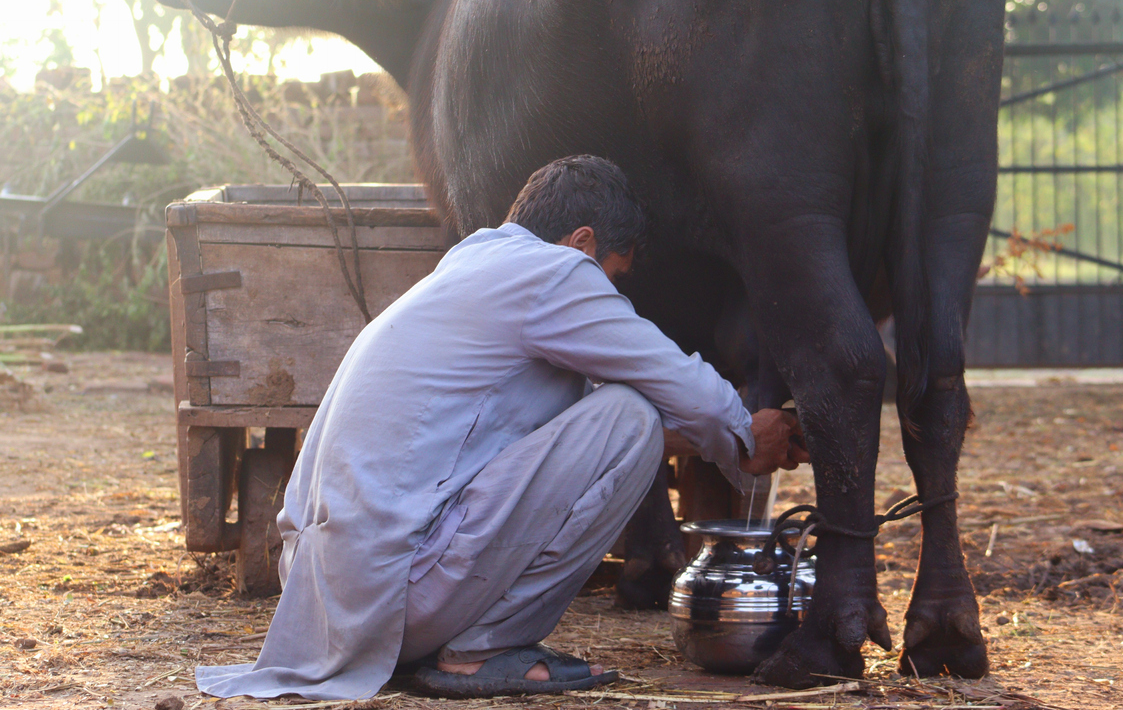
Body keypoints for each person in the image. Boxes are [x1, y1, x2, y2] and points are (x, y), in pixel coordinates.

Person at [196, 155, 805, 700]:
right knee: (630, 415)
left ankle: (454, 639)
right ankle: (483, 647)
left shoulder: (478, 263)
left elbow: (583, 437)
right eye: (613, 275)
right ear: (583, 242)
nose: (609, 291)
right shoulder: (556, 273)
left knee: (628, 420)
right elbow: (667, 381)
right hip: (396, 596)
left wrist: (716, 438)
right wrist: (745, 435)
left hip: (331, 601)